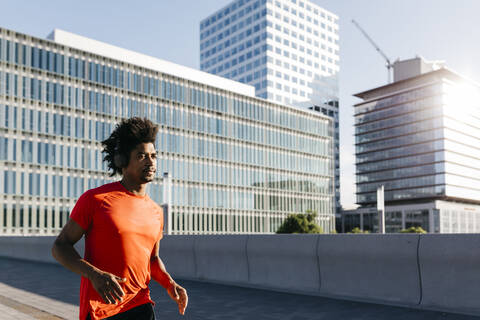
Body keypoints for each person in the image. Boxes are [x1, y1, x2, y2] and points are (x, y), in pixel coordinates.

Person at [52, 117, 188, 320]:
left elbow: (151, 258)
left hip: (141, 304)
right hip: (102, 310)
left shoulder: (156, 211)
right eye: (142, 156)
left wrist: (170, 283)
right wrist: (94, 275)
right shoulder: (96, 199)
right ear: (123, 161)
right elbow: (60, 247)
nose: (150, 162)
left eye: (153, 155)